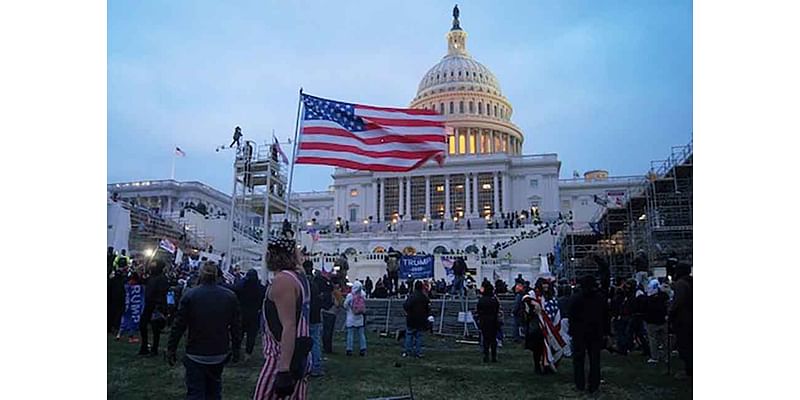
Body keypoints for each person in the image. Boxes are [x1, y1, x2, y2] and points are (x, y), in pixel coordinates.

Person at [167, 262, 242, 400]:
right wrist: (236, 349)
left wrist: (171, 349)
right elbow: (236, 326)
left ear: (200, 274)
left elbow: (178, 326)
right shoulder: (229, 296)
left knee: (196, 393)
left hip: (196, 352)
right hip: (219, 352)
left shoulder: (190, 295)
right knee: (214, 391)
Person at [253, 236, 312, 400]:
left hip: (281, 356)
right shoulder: (299, 277)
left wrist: (284, 369)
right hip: (299, 353)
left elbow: (289, 325)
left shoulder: (283, 280)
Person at [568, 275, 608, 394]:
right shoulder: (600, 298)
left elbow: (571, 316)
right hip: (595, 332)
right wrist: (606, 332)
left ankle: (580, 384)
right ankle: (594, 384)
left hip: (579, 333)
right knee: (595, 359)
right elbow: (605, 316)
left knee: (578, 360)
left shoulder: (575, 298)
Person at [139, 260, 170, 356]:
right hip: (149, 304)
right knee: (142, 325)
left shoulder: (162, 278)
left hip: (157, 305)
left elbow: (162, 292)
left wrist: (159, 306)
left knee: (155, 329)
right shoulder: (152, 277)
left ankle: (154, 349)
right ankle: (144, 346)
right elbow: (143, 281)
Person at [236, 269, 266, 362]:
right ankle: (248, 354)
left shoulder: (241, 287)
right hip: (255, 314)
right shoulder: (261, 288)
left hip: (242, 314)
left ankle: (236, 352)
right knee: (251, 336)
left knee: (239, 335)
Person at [669, 263, 692, 379]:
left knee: (685, 346)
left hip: (684, 319)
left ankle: (689, 372)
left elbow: (678, 302)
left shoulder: (681, 284)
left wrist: (671, 312)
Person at [403, 280, 431, 358]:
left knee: (409, 335)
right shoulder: (424, 297)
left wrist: (408, 312)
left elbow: (405, 305)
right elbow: (428, 308)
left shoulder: (411, 296)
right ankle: (418, 352)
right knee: (419, 337)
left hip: (411, 319)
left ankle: (408, 351)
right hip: (421, 320)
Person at [644, 279, 669, 364]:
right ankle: (666, 357)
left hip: (652, 321)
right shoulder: (664, 296)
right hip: (662, 320)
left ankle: (655, 357)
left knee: (653, 340)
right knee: (665, 340)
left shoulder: (648, 298)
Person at [307, 264, 325, 377]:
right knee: (315, 342)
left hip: (307, 317)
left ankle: (308, 366)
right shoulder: (316, 287)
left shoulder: (305, 288)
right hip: (316, 317)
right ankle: (316, 366)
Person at [476, 281, 500, 363]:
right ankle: (494, 356)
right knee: (493, 339)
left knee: (485, 339)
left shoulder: (481, 300)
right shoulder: (494, 300)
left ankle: (486, 356)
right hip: (493, 320)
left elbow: (478, 310)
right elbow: (497, 309)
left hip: (484, 320)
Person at [343, 281, 367, 356]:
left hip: (351, 317)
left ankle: (349, 349)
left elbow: (345, 305)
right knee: (361, 334)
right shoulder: (363, 295)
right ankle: (363, 348)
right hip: (360, 317)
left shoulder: (350, 296)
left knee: (350, 334)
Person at [319, 271, 337, 354]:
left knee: (324, 331)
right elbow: (337, 303)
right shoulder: (333, 293)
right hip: (331, 312)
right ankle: (328, 348)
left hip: (324, 311)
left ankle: (325, 347)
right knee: (329, 331)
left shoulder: (323, 293)